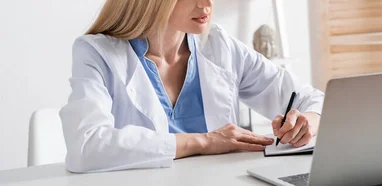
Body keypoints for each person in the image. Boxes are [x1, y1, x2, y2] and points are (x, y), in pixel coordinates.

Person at [60, 0, 324, 173]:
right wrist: (203, 142)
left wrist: (306, 122)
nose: (207, 4)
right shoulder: (97, 53)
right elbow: (86, 147)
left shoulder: (219, 46)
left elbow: (315, 100)